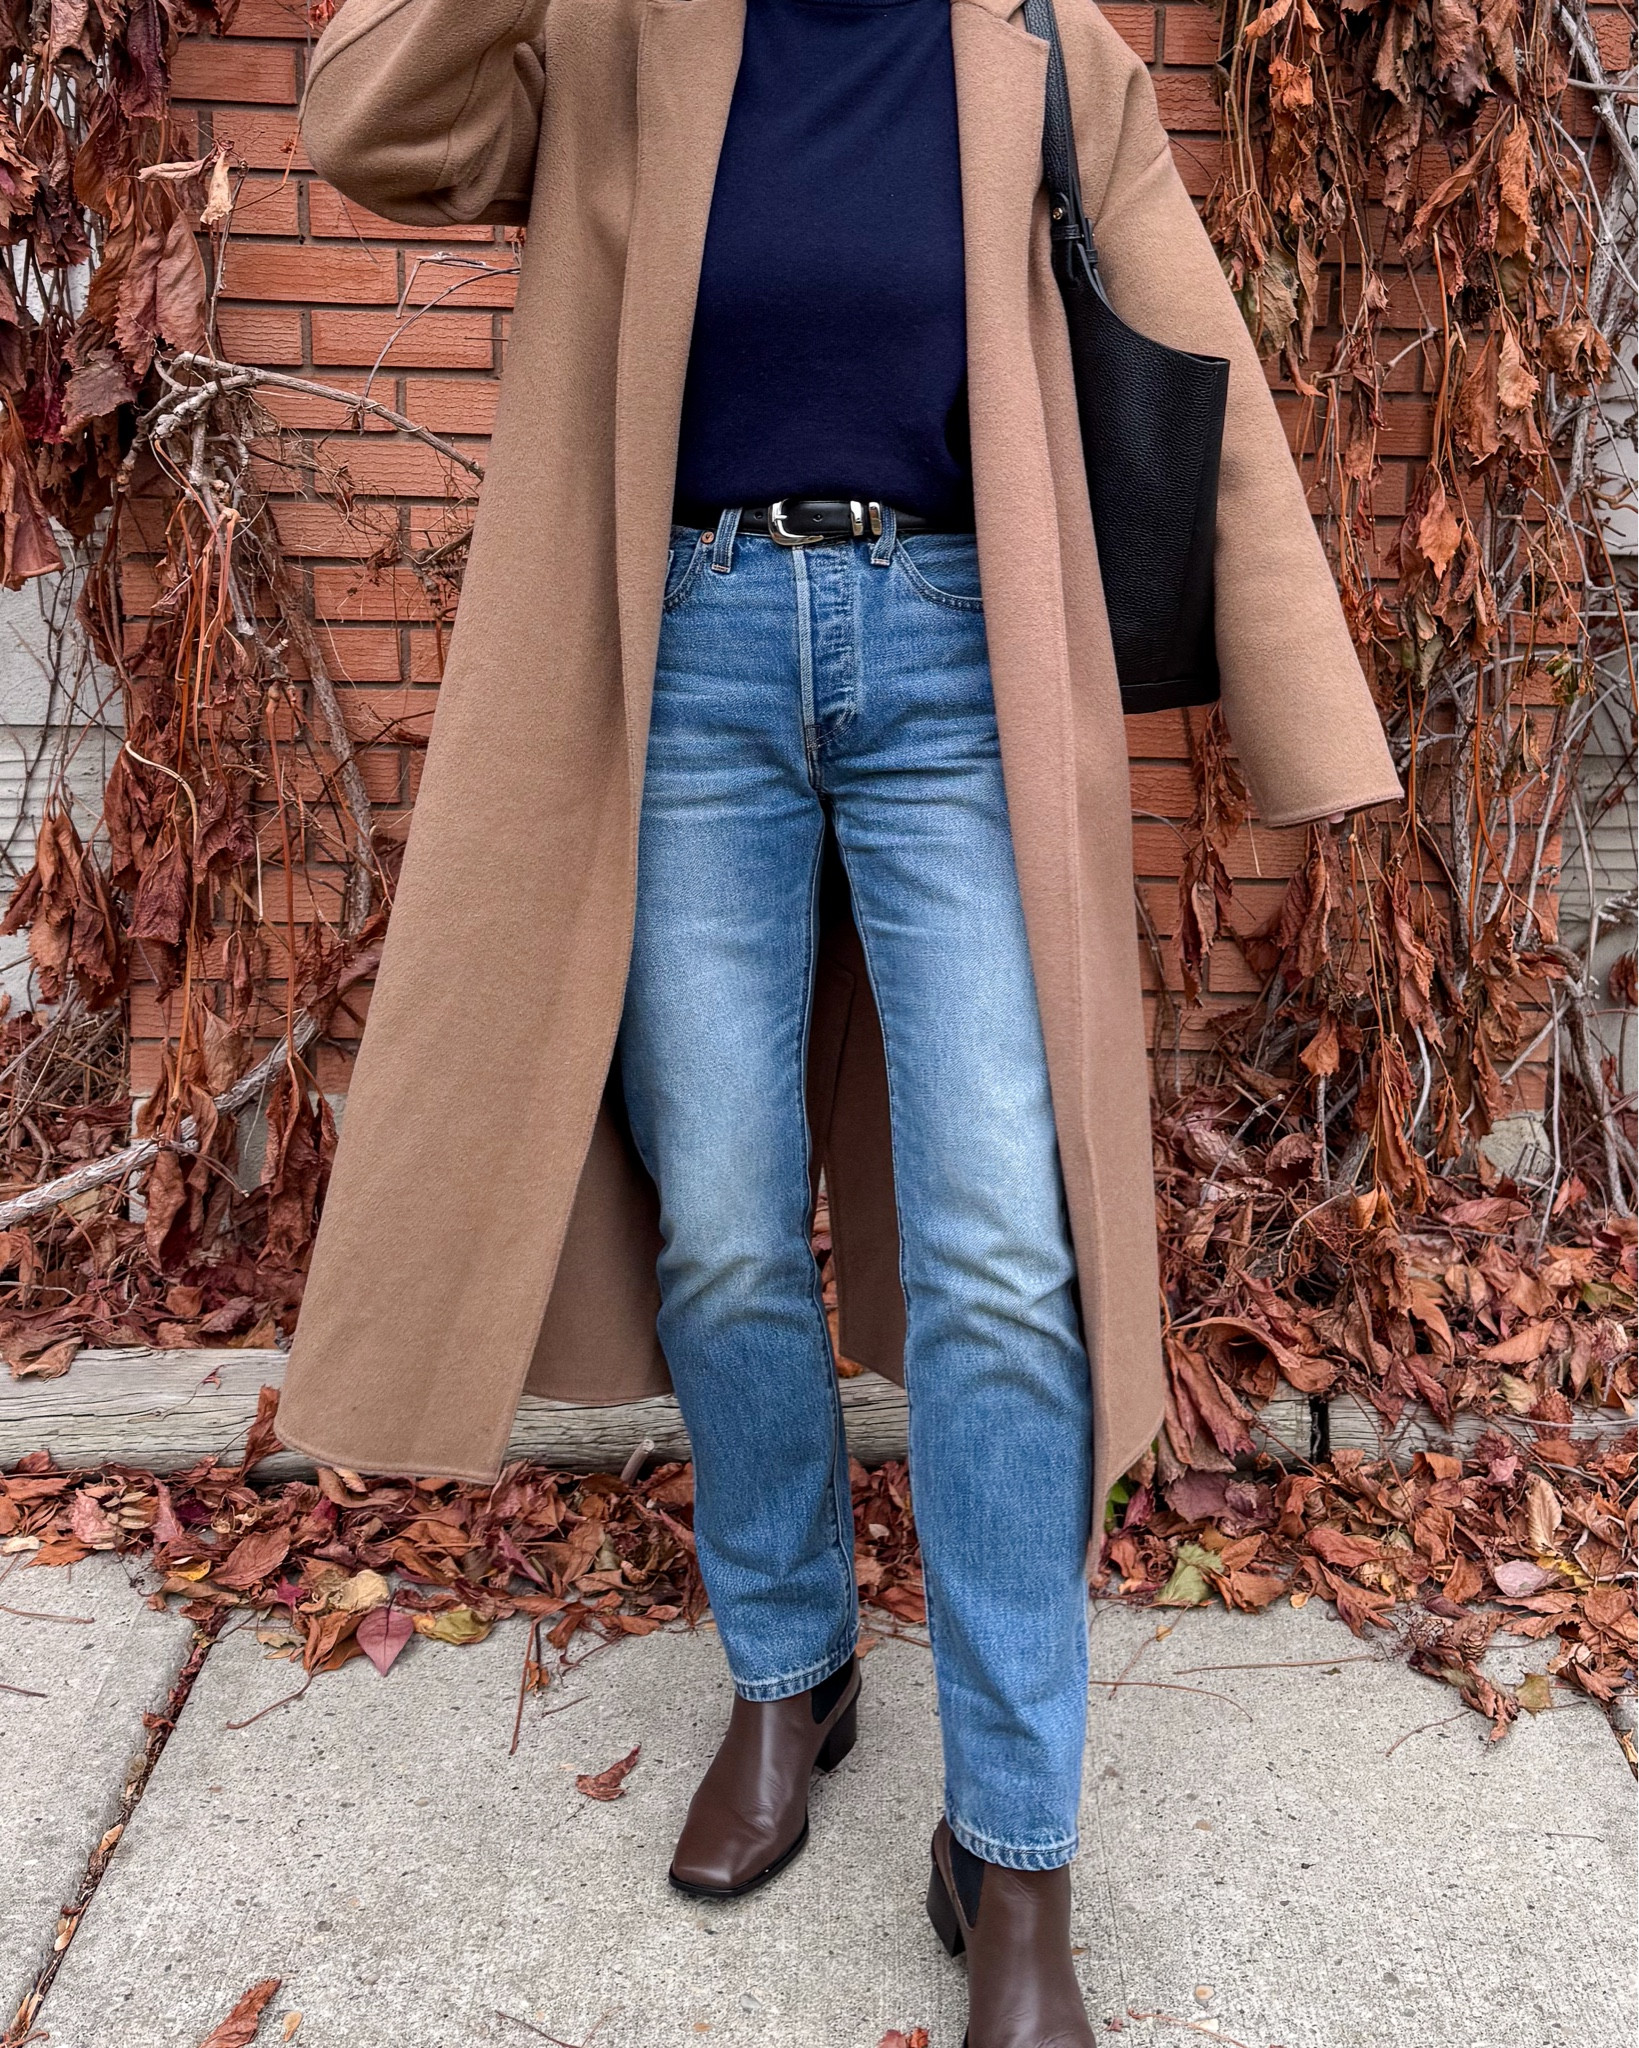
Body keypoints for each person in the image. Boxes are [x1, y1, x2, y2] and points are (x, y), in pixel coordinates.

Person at [276, 0, 1402, 2036]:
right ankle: (788, 1667)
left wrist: (1309, 721)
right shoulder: (621, 38)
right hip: (684, 660)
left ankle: (1017, 1843)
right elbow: (370, 118)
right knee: (718, 1220)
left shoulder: (1046, 55)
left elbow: (1200, 373)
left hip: (955, 666)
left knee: (997, 1253)